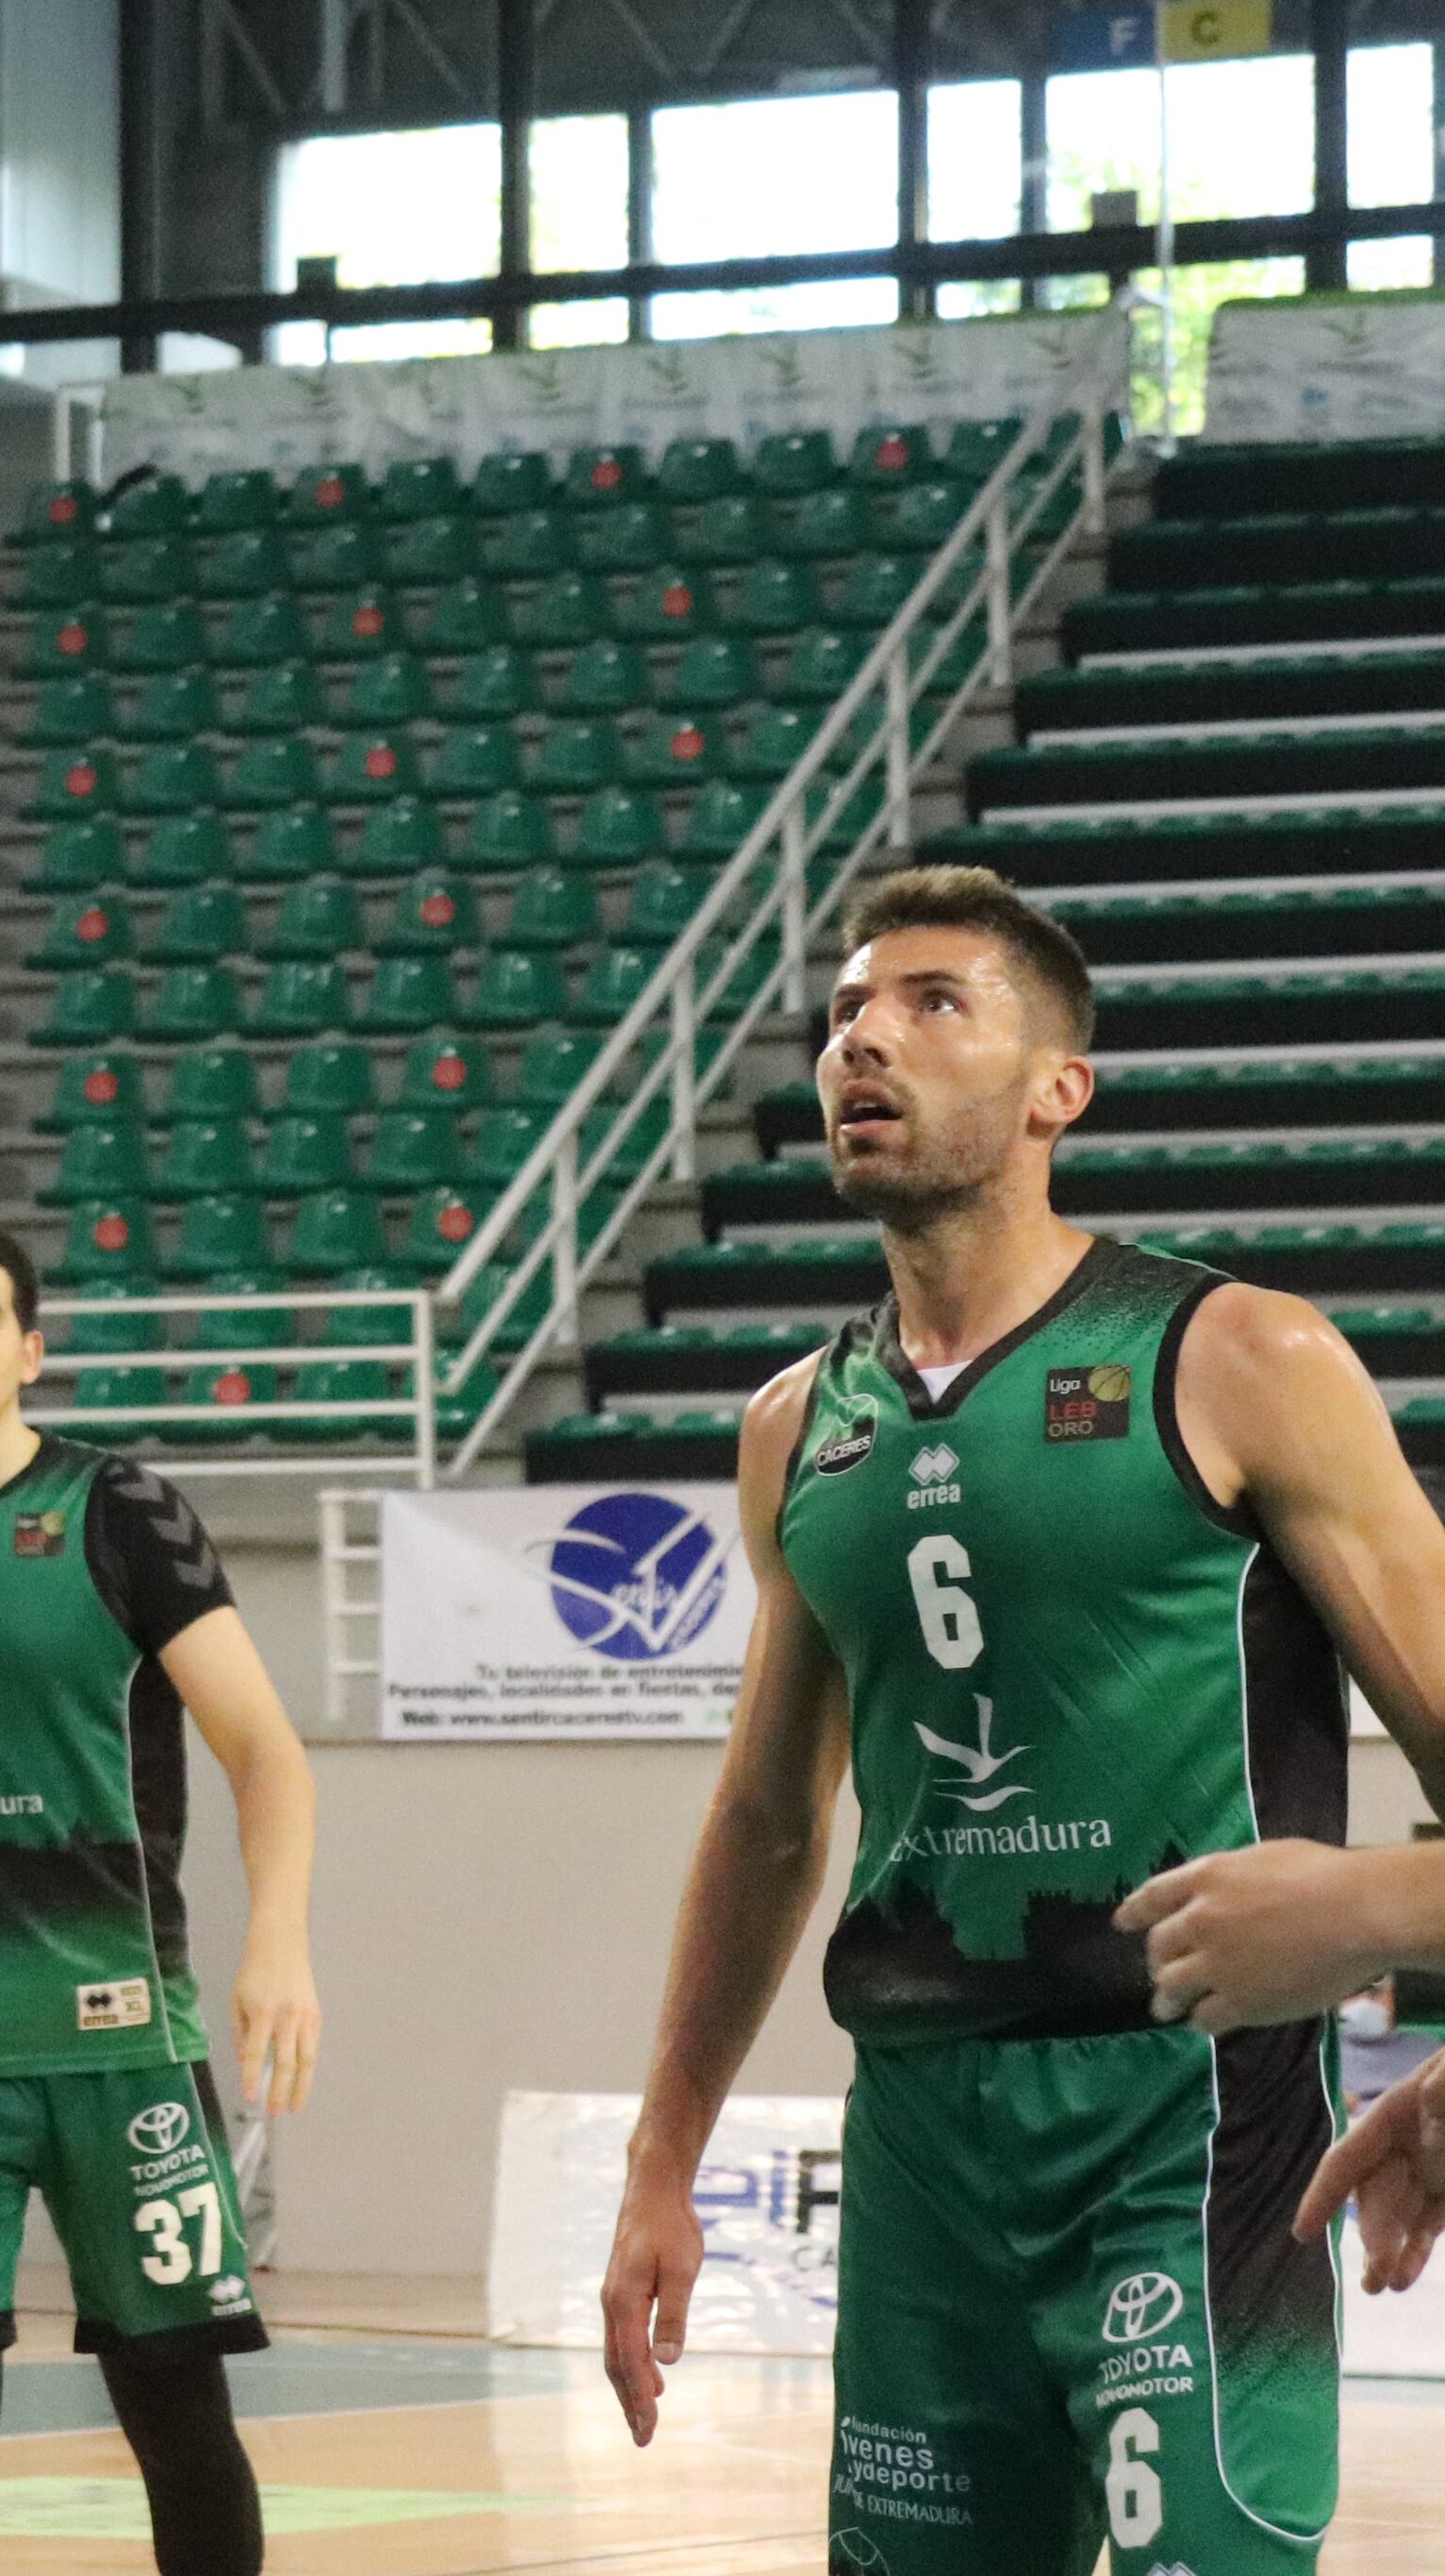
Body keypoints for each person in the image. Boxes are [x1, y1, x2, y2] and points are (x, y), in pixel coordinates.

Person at [599, 866, 1445, 2574]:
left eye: (932, 1002)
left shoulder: (1234, 1354)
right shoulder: (792, 1425)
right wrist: (661, 2152)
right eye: (847, 1009)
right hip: (918, 2131)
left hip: (1184, 2115)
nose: (865, 1038)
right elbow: (770, 1823)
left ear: (1060, 1087)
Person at [0, 1216, 323, 2576]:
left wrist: (279, 1943)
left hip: (121, 2043)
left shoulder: (118, 1510)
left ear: (32, 1352)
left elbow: (265, 1750)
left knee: (177, 2410)